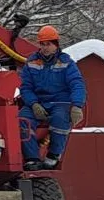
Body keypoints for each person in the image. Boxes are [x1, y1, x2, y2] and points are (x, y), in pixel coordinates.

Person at [19, 25, 86, 170]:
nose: (45, 47)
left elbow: (77, 84)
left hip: (60, 102)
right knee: (23, 120)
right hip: (39, 102)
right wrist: (34, 104)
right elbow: (25, 87)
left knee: (60, 119)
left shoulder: (66, 63)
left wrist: (77, 105)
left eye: (48, 44)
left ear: (56, 44)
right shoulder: (31, 62)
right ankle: (32, 159)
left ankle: (53, 156)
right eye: (42, 44)